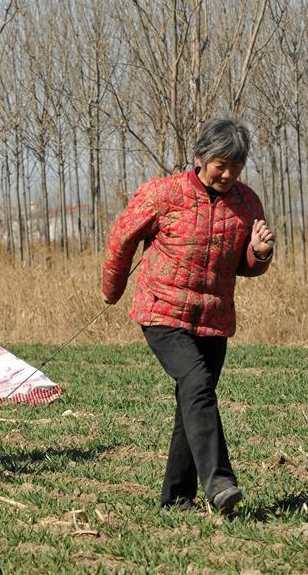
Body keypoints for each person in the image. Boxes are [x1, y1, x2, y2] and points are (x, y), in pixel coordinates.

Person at [101, 118, 274, 514]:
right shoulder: (163, 194)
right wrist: (112, 290)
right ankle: (220, 480)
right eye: (220, 165)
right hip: (162, 309)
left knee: (191, 399)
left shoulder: (247, 203)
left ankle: (177, 498)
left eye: (236, 166)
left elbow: (243, 265)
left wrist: (260, 253)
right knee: (196, 382)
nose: (228, 174)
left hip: (213, 316)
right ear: (200, 158)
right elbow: (121, 239)